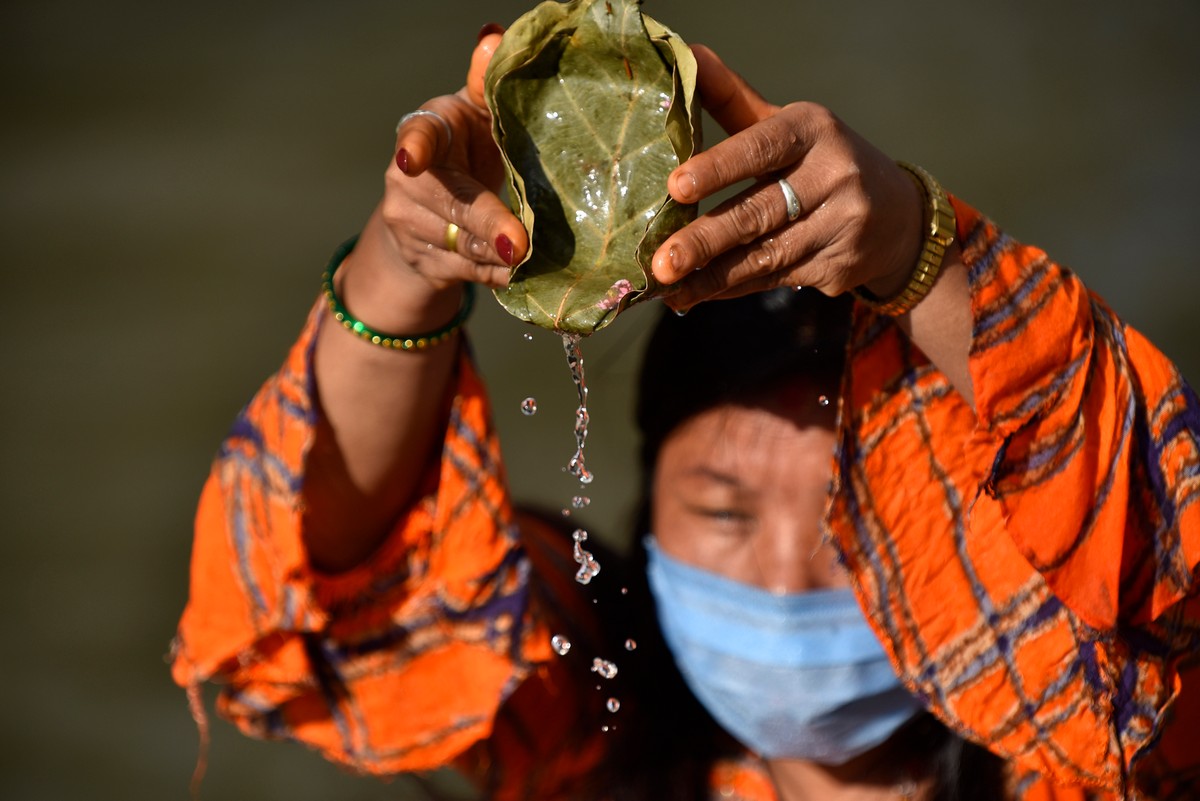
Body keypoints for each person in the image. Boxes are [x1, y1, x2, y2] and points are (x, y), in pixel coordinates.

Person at [171, 25, 1200, 801]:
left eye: (857, 527)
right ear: (650, 524)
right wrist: (405, 267)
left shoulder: (1092, 746)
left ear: (974, 544)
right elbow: (337, 586)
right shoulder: (596, 732)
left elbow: (1164, 550)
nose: (790, 575)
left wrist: (918, 251)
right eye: (725, 513)